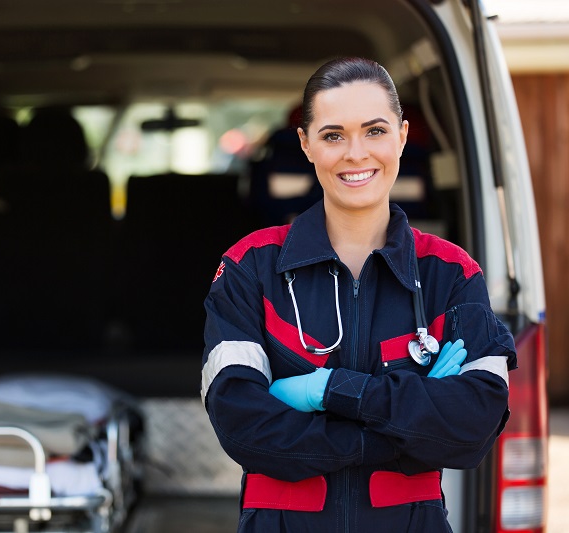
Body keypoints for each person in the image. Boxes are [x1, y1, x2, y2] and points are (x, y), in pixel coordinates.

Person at [201, 57, 516, 532]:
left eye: (374, 131)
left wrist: (330, 390)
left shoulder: (449, 274)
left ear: (403, 136)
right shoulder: (250, 267)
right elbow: (242, 425)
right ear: (306, 144)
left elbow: (472, 428)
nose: (356, 153)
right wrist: (403, 428)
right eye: (333, 135)